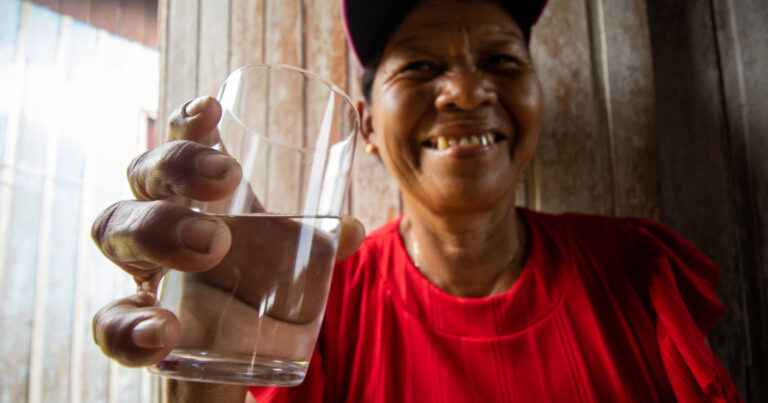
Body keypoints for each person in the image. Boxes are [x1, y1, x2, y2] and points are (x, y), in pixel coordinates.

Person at [91, 0, 743, 401]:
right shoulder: (309, 311)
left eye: (502, 61)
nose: (465, 91)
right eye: (421, 68)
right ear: (367, 128)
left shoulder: (636, 270)